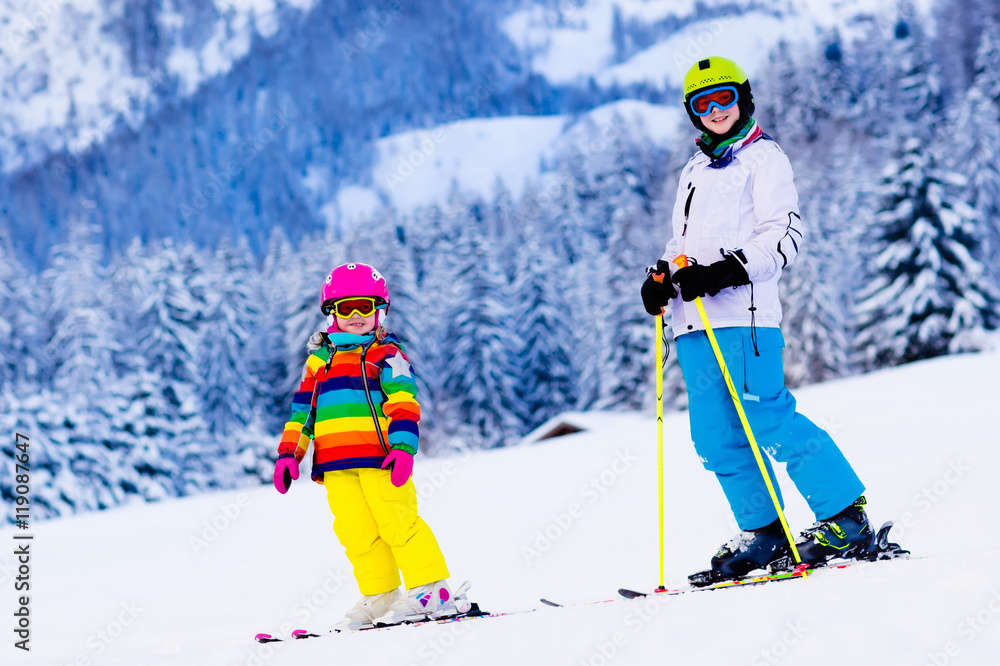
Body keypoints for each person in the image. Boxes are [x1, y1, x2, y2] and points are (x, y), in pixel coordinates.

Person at [641, 57, 873, 582]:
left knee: (766, 417)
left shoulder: (765, 158)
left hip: (745, 316)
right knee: (714, 436)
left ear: (743, 99)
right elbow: (682, 245)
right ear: (692, 113)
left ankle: (844, 516)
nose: (715, 111)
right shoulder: (694, 170)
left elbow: (784, 237)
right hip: (693, 321)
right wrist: (661, 278)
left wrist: (725, 270)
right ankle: (766, 533)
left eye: (723, 99)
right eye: (702, 104)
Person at [273, 262, 469, 629]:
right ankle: (381, 595)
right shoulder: (319, 361)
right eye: (347, 307)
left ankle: (432, 589)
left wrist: (403, 449)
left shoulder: (387, 354)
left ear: (379, 309)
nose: (357, 315)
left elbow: (404, 404)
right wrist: (289, 454)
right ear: (332, 313)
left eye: (365, 306)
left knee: (397, 522)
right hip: (333, 464)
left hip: (379, 458)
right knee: (356, 532)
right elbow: (302, 412)